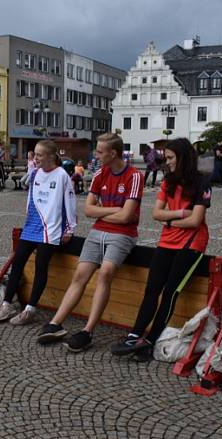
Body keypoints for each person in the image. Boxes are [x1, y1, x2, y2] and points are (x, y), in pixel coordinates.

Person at [37, 133, 142, 352]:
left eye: (100, 151)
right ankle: (56, 323)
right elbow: (88, 210)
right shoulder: (100, 174)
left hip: (123, 234)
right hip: (98, 231)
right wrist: (115, 210)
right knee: (79, 275)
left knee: (105, 273)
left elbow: (126, 218)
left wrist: (103, 213)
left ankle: (87, 331)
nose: (96, 154)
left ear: (113, 153)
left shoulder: (134, 176)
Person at [110, 138, 212, 358]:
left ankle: (149, 341)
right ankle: (134, 335)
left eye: (171, 158)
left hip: (191, 244)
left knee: (169, 293)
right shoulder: (168, 181)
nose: (167, 162)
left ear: (183, 158)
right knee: (151, 290)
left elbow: (195, 221)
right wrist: (177, 215)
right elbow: (156, 213)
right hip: (167, 241)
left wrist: (169, 220)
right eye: (166, 158)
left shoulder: (202, 181)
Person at [0, 140, 77, 326]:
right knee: (17, 264)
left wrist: (70, 229)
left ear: (50, 156)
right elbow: (31, 196)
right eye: (36, 154)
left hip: (51, 229)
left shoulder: (62, 175)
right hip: (31, 226)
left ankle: (30, 309)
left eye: (39, 155)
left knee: (41, 267)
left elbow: (70, 203)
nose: (35, 158)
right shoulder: (36, 173)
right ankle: (6, 303)